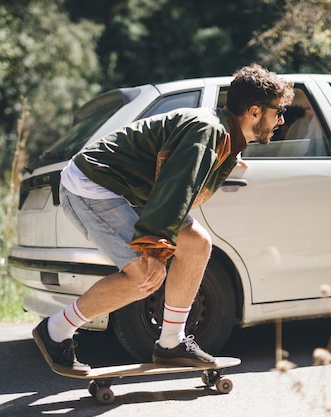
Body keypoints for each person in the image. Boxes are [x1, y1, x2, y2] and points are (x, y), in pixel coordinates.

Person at [33, 63, 294, 375]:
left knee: (196, 243)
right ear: (254, 111)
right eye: (278, 111)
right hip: (95, 184)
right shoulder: (207, 131)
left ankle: (171, 342)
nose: (281, 120)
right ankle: (56, 330)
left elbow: (173, 189)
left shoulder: (223, 136)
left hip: (132, 191)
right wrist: (155, 252)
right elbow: (175, 190)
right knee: (143, 275)